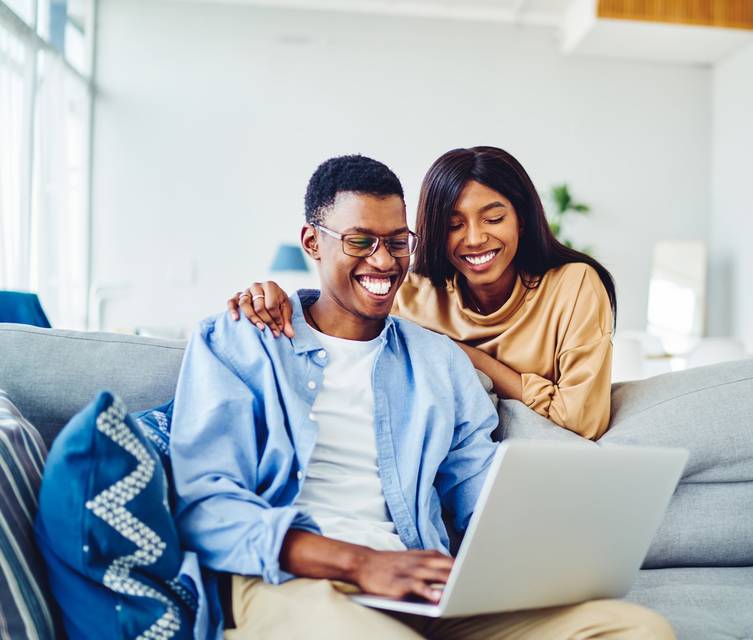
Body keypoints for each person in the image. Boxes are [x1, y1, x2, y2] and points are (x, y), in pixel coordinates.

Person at [171, 155, 674, 639]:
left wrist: (541, 556)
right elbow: (204, 507)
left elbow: (477, 488)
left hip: (420, 585)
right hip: (290, 583)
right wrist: (363, 563)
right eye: (360, 241)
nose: (384, 261)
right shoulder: (239, 340)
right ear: (312, 242)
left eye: (396, 242)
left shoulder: (438, 361)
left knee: (634, 629)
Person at [228, 147, 616, 440]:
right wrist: (277, 300)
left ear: (523, 220)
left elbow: (583, 420)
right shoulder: (412, 295)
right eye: (454, 225)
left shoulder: (574, 285)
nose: (476, 238)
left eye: (494, 218)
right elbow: (342, 317)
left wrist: (469, 357)